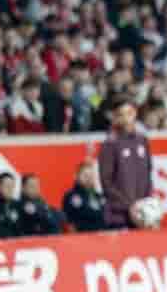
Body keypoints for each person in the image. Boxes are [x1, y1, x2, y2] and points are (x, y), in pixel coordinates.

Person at [98, 96, 152, 229]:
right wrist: (129, 206)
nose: (126, 118)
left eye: (129, 113)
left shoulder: (142, 140)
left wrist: (146, 202)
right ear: (116, 117)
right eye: (121, 114)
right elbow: (106, 183)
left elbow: (148, 173)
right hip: (119, 217)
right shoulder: (110, 144)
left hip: (142, 214)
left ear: (135, 113)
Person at [64, 160, 107, 232]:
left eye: (91, 176)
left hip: (103, 234)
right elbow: (83, 215)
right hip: (84, 234)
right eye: (85, 175)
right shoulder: (71, 196)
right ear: (76, 176)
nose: (88, 179)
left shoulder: (99, 195)